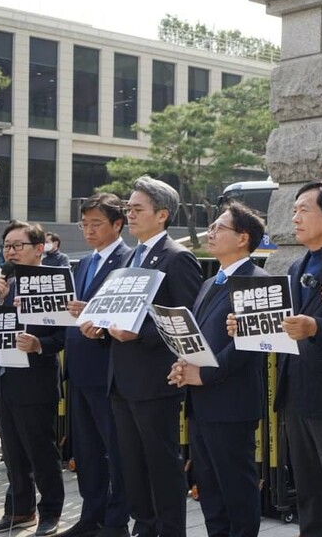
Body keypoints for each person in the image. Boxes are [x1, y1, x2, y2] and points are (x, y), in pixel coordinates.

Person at [237, 181, 322, 537]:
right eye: (294, 210)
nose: (294, 217)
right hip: (297, 392)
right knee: (309, 492)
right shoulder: (298, 264)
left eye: (303, 210)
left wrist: (317, 328)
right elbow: (286, 327)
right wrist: (249, 325)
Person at [82, 176, 202, 537]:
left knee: (161, 465)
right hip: (121, 377)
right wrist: (99, 327)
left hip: (155, 381)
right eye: (128, 209)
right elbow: (121, 314)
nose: (130, 215)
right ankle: (144, 527)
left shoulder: (177, 258)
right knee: (132, 466)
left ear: (162, 214)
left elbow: (186, 322)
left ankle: (169, 531)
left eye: (137, 209)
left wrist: (141, 334)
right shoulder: (131, 256)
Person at [167, 203, 268, 537]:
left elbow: (251, 345)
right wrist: (184, 366)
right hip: (200, 403)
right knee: (209, 488)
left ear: (243, 238)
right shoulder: (211, 282)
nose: (210, 233)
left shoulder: (257, 281)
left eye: (219, 228)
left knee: (236, 488)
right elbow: (198, 338)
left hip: (232, 402)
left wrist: (205, 374)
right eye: (211, 227)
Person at [0, 221, 65, 536]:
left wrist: (40, 345)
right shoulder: (4, 284)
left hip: (36, 382)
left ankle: (50, 513)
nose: (12, 251)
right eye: (7, 246)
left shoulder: (53, 283)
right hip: (4, 380)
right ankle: (19, 511)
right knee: (13, 453)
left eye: (19, 245)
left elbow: (63, 336)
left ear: (39, 248)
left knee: (41, 452)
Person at [59, 193, 133, 537]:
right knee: (86, 450)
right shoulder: (85, 262)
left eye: (96, 223)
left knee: (115, 449)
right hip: (80, 368)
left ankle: (116, 520)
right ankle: (91, 513)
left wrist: (93, 313)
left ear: (118, 224)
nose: (88, 230)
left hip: (108, 370)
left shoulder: (128, 261)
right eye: (84, 224)